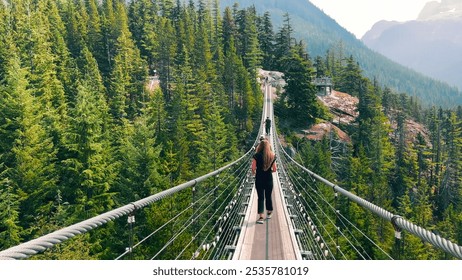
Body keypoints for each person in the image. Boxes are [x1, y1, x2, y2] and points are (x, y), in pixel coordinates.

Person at [251, 139, 277, 224]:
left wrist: (255, 173)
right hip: (269, 179)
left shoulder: (256, 156)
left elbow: (253, 168)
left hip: (259, 179)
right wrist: (269, 171)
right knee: (268, 196)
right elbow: (274, 169)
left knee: (261, 197)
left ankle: (261, 217)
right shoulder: (272, 155)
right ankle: (269, 212)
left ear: (260, 146)